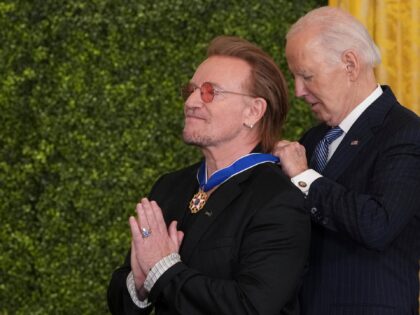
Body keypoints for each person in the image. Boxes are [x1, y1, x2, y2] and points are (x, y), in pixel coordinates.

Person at [107, 35, 311, 315]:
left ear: (253, 111)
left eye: (209, 92)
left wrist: (162, 270)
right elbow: (122, 298)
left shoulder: (278, 200)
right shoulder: (169, 186)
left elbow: (251, 306)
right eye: (190, 90)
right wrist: (139, 284)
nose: (190, 101)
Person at [273, 6, 420, 315]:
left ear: (350, 64)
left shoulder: (406, 131)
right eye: (295, 77)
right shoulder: (312, 139)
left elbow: (377, 225)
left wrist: (303, 177)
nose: (298, 91)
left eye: (307, 76)